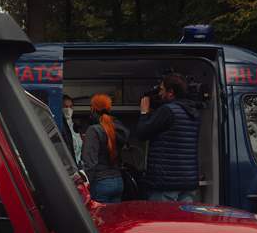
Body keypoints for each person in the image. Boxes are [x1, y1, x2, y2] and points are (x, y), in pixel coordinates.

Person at [136, 72, 202, 202]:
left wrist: (144, 112)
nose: (159, 94)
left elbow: (141, 134)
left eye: (161, 90)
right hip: (188, 183)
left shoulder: (168, 110)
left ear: (170, 92)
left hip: (165, 184)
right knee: (183, 221)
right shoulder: (194, 112)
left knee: (162, 221)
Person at [81, 94, 129, 203]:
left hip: (100, 182)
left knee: (99, 219)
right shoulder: (118, 129)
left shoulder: (94, 130)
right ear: (109, 108)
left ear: (93, 109)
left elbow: (90, 162)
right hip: (118, 181)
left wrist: (86, 184)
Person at [61, 94, 83, 164]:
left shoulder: (76, 126)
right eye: (65, 106)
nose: (68, 109)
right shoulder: (59, 126)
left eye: (70, 107)